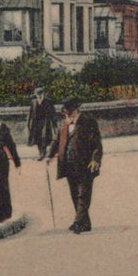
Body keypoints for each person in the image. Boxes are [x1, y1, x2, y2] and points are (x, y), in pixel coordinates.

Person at [47, 98, 103, 234]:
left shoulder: (88, 122)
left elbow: (97, 143)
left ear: (77, 110)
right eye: (66, 114)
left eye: (71, 114)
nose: (68, 117)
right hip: (68, 165)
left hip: (86, 164)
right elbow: (56, 140)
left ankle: (78, 222)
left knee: (83, 194)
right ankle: (85, 223)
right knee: (74, 194)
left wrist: (95, 159)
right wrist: (49, 156)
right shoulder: (64, 124)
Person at [26, 87, 57, 160]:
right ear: (35, 94)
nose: (39, 96)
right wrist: (28, 122)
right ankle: (41, 152)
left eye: (41, 94)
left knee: (44, 137)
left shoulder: (48, 102)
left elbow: (53, 114)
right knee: (37, 138)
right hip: (36, 123)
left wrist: (54, 124)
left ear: (44, 94)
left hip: (45, 123)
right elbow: (30, 113)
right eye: (38, 94)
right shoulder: (33, 102)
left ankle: (43, 152)